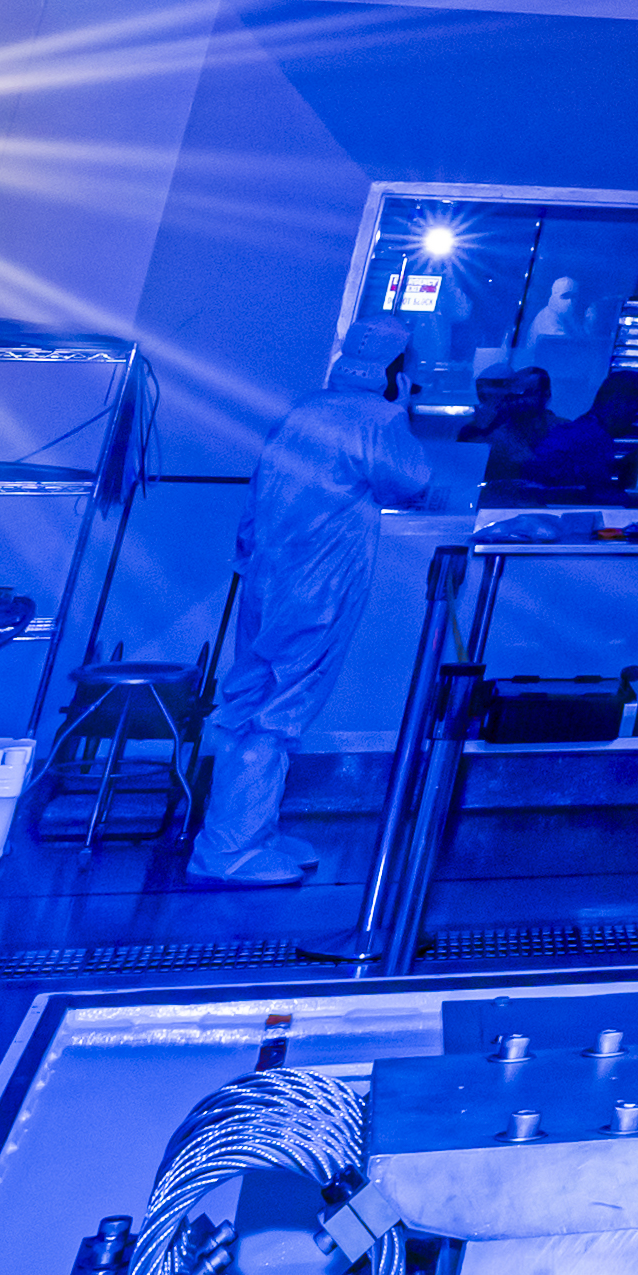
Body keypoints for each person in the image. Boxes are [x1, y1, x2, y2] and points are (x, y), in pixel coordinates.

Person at [183, 345, 463, 890]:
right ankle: (230, 850)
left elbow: (260, 487)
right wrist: (401, 415)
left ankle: (250, 830)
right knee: (279, 709)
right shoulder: (377, 418)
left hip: (269, 576)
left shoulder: (306, 408)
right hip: (321, 585)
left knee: (253, 697)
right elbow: (410, 481)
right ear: (392, 371)